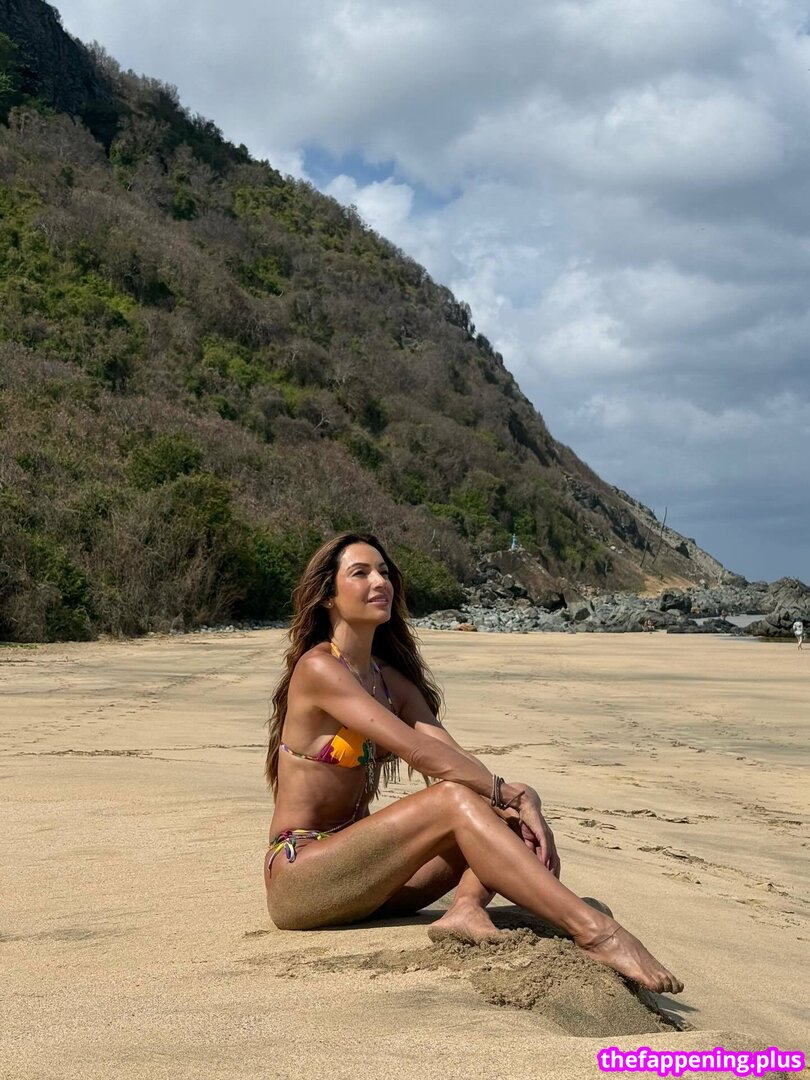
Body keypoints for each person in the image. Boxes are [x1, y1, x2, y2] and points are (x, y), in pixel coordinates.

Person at [263, 532, 683, 995]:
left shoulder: (390, 681)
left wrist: (517, 800)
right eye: (360, 573)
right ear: (328, 596)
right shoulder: (319, 669)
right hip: (304, 877)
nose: (379, 581)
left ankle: (466, 908)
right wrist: (506, 790)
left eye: (383, 572)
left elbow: (454, 758)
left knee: (492, 808)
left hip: (367, 882)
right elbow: (419, 752)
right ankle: (598, 933)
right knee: (458, 797)